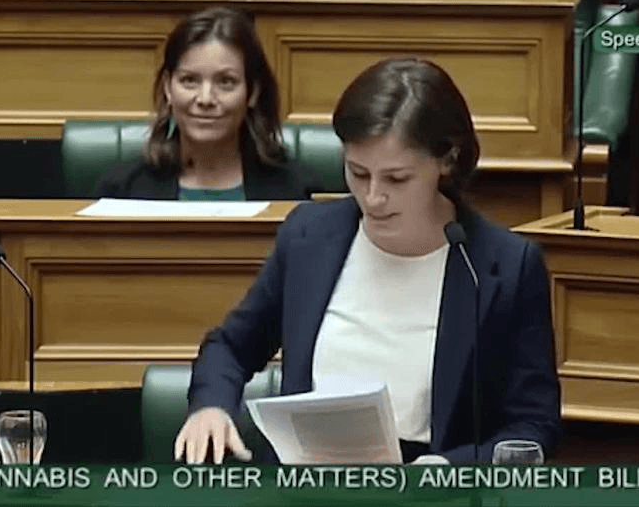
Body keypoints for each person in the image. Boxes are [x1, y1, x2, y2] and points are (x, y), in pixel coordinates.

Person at [174, 57, 561, 465]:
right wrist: (210, 407)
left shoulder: (505, 265)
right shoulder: (309, 237)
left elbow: (533, 426)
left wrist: (452, 468)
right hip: (305, 484)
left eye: (397, 179)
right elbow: (230, 347)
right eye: (358, 173)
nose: (373, 198)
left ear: (447, 161)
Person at [96, 7, 317, 200]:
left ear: (252, 92)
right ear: (167, 88)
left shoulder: (298, 189)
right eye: (189, 80)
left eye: (226, 82)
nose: (205, 99)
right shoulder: (121, 189)